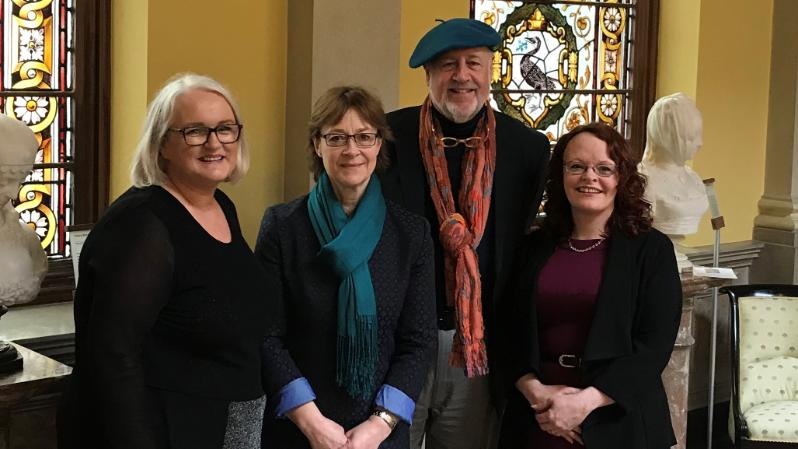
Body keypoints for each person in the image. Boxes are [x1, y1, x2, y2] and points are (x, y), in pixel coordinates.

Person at [58, 73, 269, 449]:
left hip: (224, 423)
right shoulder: (141, 224)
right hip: (166, 431)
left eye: (225, 128)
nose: (214, 143)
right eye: (195, 131)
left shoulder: (219, 205)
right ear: (161, 144)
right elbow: (114, 357)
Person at [378, 18, 551, 449]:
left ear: (490, 70)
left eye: (473, 63)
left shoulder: (527, 149)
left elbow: (524, 245)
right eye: (447, 65)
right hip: (400, 343)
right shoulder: (387, 140)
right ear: (428, 74)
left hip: (480, 346)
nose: (462, 76)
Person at [256, 86, 436, 449]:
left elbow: (418, 341)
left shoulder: (411, 233)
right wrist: (312, 424)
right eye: (336, 137)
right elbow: (265, 334)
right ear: (317, 144)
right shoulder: (282, 227)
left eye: (364, 136)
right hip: (298, 430)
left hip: (380, 434)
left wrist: (379, 426)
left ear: (379, 144)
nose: (352, 150)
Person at [498, 123, 682, 449]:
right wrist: (536, 393)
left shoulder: (652, 250)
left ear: (622, 178)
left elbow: (654, 347)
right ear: (561, 175)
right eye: (576, 166)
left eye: (604, 169)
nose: (589, 177)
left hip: (619, 417)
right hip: (538, 416)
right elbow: (507, 333)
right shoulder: (532, 247)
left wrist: (584, 403)